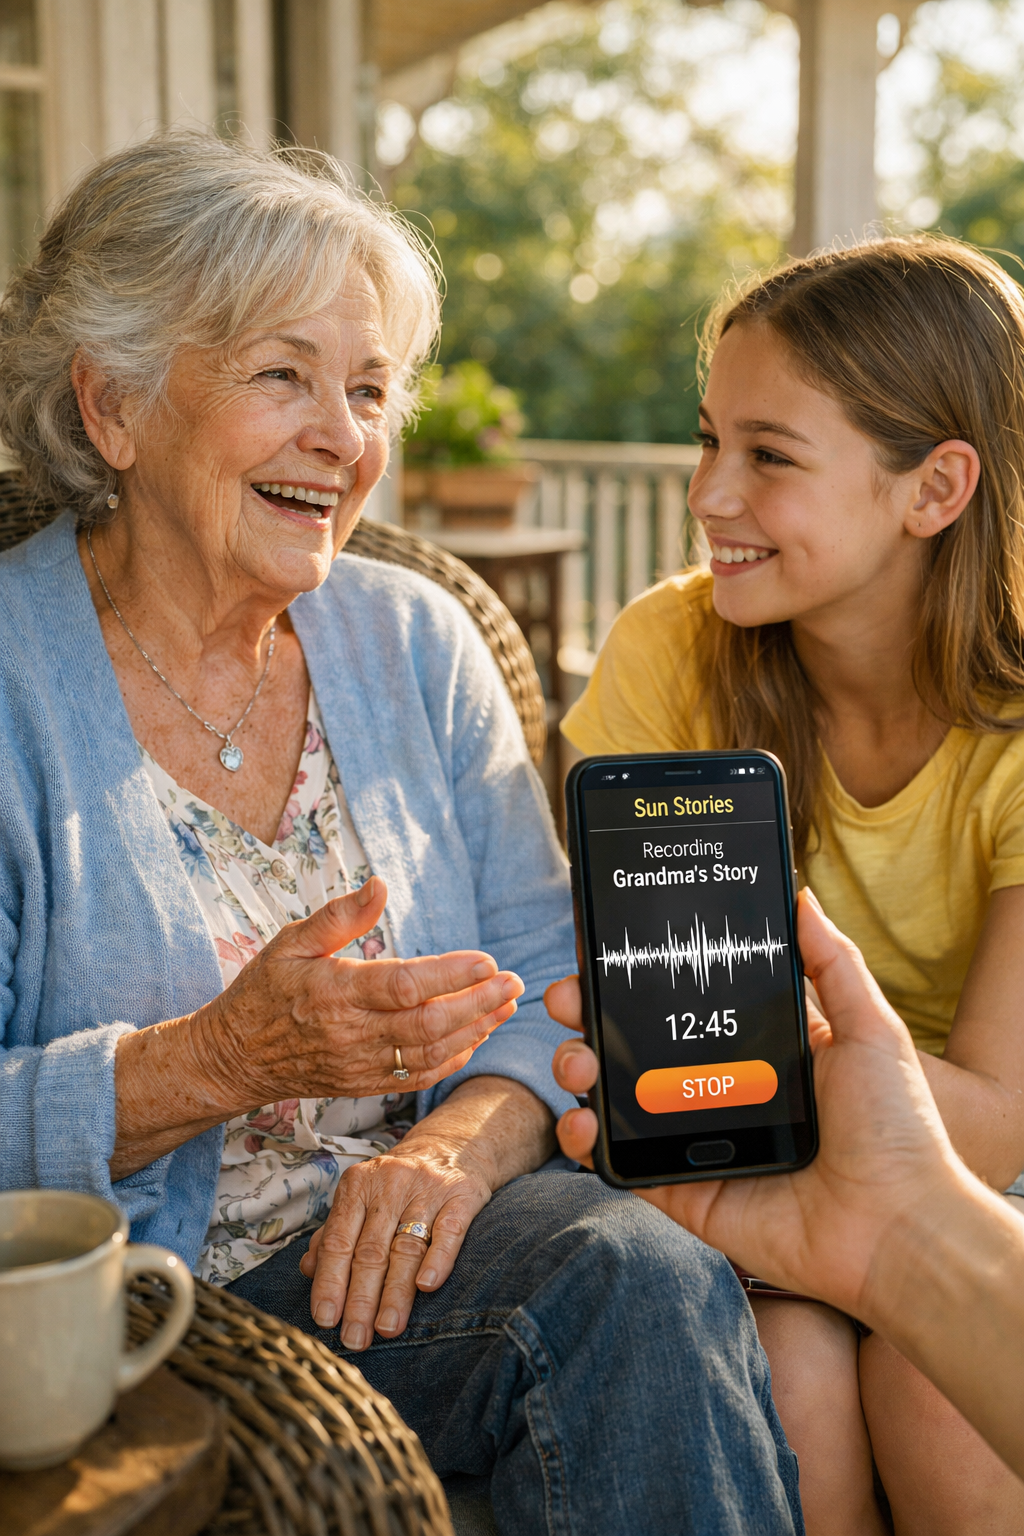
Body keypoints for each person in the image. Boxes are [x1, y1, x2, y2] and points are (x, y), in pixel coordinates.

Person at [0, 131, 805, 1535]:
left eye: (370, 389)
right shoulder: (13, 683)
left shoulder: (414, 640)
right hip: (143, 1302)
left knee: (642, 1273)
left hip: (432, 1257)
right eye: (281, 375)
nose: (344, 436)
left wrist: (461, 1146)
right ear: (112, 404)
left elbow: (551, 975)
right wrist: (212, 1064)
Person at [560, 236, 1024, 1536]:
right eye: (708, 438)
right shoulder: (672, 646)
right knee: (791, 1376)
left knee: (938, 1392)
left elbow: (1004, 1119)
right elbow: (639, 1025)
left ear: (934, 488)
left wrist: (742, 1059)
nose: (707, 493)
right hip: (774, 1156)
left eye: (768, 455)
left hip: (966, 1172)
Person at [546, 890, 1024, 1488]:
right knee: (791, 1384)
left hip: (922, 1178)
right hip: (781, 1196)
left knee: (938, 1413)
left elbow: (1004, 1127)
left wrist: (903, 1224)